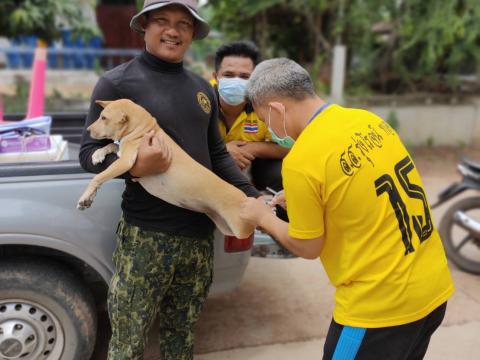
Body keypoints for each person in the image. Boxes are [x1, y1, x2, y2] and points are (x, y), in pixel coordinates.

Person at [79, 1, 260, 359]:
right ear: (144, 25)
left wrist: (252, 196)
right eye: (162, 21)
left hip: (197, 237)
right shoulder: (117, 83)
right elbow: (88, 153)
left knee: (182, 341)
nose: (173, 31)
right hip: (145, 237)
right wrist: (135, 166)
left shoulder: (202, 89)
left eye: (183, 24)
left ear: (193, 33)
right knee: (128, 343)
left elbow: (218, 154)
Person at [240, 58, 454, 360]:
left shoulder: (302, 160)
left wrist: (262, 217)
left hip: (380, 310)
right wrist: (306, 197)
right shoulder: (367, 121)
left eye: (265, 119)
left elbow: (307, 245)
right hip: (432, 290)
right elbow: (360, 184)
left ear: (276, 109)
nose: (269, 129)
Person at [211, 40, 289, 192]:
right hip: (208, 162)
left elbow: (288, 146)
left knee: (282, 171)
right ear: (216, 76)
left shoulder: (266, 105)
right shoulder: (200, 101)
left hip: (251, 162)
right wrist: (222, 151)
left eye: (244, 76)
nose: (236, 81)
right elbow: (185, 147)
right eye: (228, 75)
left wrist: (253, 148)